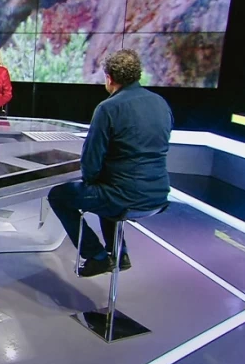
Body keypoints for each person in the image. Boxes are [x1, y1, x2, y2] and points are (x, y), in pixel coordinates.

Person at [47, 49, 173, 277]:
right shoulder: (161, 103)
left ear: (109, 78)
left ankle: (96, 256)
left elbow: (91, 163)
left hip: (125, 197)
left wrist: (91, 181)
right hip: (159, 193)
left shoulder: (108, 108)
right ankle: (120, 253)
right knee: (108, 190)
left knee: (58, 196)